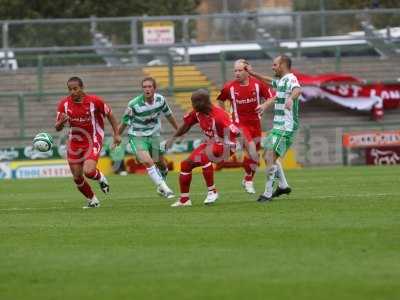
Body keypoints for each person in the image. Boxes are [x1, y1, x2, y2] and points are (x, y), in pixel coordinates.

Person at [55, 76, 121, 208]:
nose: (72, 92)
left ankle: (100, 177)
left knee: (89, 172)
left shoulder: (95, 101)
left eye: (75, 89)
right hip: (75, 142)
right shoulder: (64, 104)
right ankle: (92, 200)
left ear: (82, 88)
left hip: (93, 138)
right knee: (77, 177)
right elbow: (57, 127)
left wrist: (116, 134)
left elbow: (110, 115)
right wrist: (61, 123)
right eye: (70, 89)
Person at [166, 89, 239, 207]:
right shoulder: (197, 112)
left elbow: (236, 131)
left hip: (226, 146)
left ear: (204, 102)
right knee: (185, 164)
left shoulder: (219, 116)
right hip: (210, 143)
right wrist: (173, 138)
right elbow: (186, 126)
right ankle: (184, 200)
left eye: (195, 102)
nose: (193, 105)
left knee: (205, 155)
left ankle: (212, 191)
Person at [246, 55, 301, 202]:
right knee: (267, 156)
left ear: (283, 65)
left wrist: (291, 98)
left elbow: (297, 90)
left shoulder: (291, 78)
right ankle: (283, 185)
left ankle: (268, 193)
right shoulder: (282, 80)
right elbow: (270, 81)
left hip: (286, 127)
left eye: (275, 64)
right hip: (278, 126)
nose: (273, 67)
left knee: (270, 156)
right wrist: (253, 74)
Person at [114, 77, 178, 198]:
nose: (147, 89)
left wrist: (178, 130)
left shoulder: (160, 100)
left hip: (154, 135)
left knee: (162, 165)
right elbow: (124, 122)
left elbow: (169, 115)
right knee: (148, 162)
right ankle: (165, 189)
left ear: (155, 88)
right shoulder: (133, 104)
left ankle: (162, 180)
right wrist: (116, 136)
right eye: (144, 87)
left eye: (149, 86)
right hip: (137, 136)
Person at [217, 59, 274, 194]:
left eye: (240, 70)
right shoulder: (229, 87)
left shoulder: (258, 84)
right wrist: (225, 114)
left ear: (248, 70)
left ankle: (248, 178)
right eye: (235, 70)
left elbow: (272, 97)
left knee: (254, 156)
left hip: (255, 125)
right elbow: (220, 99)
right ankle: (249, 181)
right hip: (240, 125)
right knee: (253, 152)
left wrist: (265, 105)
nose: (237, 73)